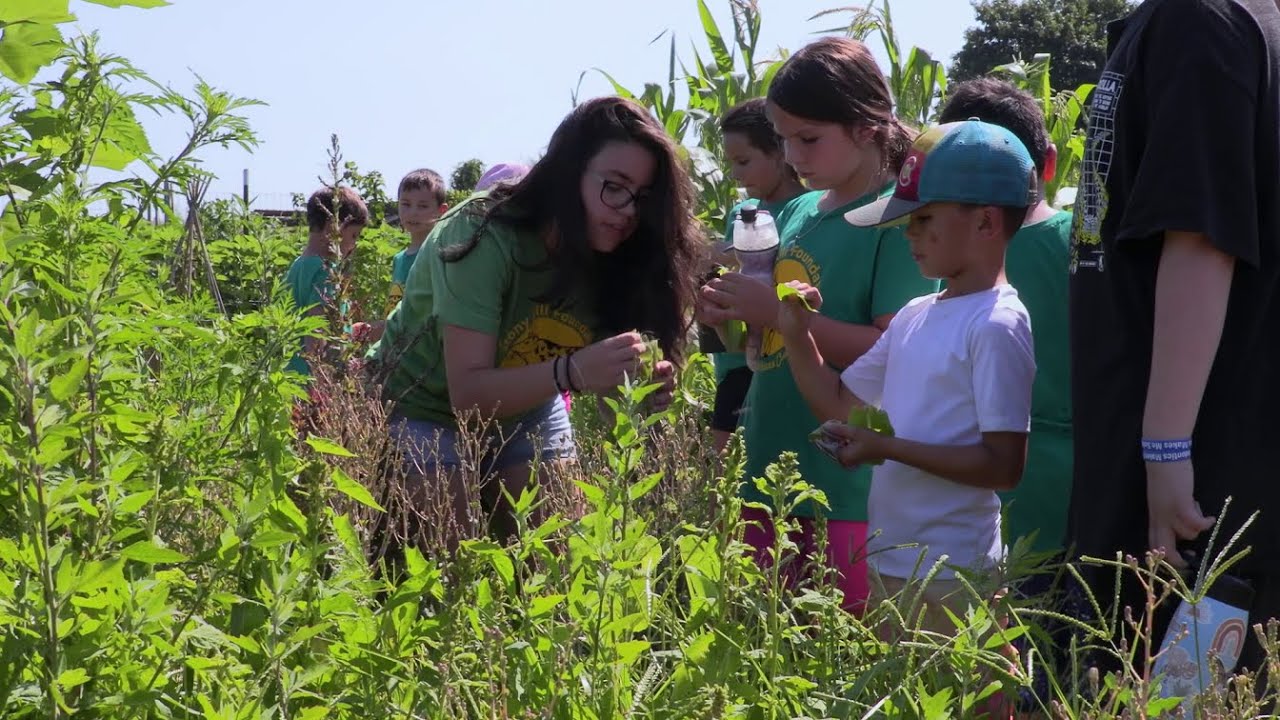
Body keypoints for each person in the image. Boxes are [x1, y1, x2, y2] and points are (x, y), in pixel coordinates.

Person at [366, 96, 701, 548]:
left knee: (559, 558)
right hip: (418, 409)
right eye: (614, 186)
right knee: (455, 567)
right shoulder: (483, 231)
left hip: (526, 409)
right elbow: (467, 396)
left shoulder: (616, 255)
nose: (627, 210)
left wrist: (631, 393)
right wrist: (576, 371)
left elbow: (606, 407)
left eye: (642, 197)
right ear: (568, 171)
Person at [1067, 0, 1280, 678]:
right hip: (1202, 452)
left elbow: (1201, 237)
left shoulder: (1201, 20)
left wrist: (1165, 451)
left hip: (1183, 485)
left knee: (1139, 684)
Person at [699, 37, 938, 614]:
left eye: (808, 139)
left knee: (841, 657)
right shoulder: (800, 212)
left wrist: (775, 314)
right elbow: (768, 342)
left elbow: (895, 349)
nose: (793, 155)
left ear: (865, 126)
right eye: (783, 139)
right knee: (767, 654)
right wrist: (732, 317)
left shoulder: (895, 219)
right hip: (770, 474)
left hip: (847, 486)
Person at [780, 119, 1037, 634]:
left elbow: (1003, 466)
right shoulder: (916, 313)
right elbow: (836, 403)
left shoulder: (997, 323)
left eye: (923, 220)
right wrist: (795, 333)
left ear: (986, 223)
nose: (909, 235)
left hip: (956, 572)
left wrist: (887, 449)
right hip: (890, 563)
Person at [938, 78, 1072, 558]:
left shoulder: (947, 260)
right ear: (1049, 162)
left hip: (962, 479)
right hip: (1069, 479)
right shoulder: (1083, 247)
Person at [704, 98, 806, 453]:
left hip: (781, 365)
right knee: (724, 477)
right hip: (735, 364)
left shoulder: (807, 211)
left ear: (780, 151)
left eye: (743, 162)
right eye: (731, 163)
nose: (735, 174)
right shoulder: (741, 214)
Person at [285, 185, 368, 376]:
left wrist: (347, 331)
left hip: (290, 374)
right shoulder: (325, 271)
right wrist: (323, 383)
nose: (354, 245)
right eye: (354, 235)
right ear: (334, 227)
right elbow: (316, 330)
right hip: (312, 381)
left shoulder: (298, 265)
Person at [387, 169, 448, 314]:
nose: (413, 212)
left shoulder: (439, 255)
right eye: (406, 204)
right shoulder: (399, 259)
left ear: (442, 210)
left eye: (423, 206)